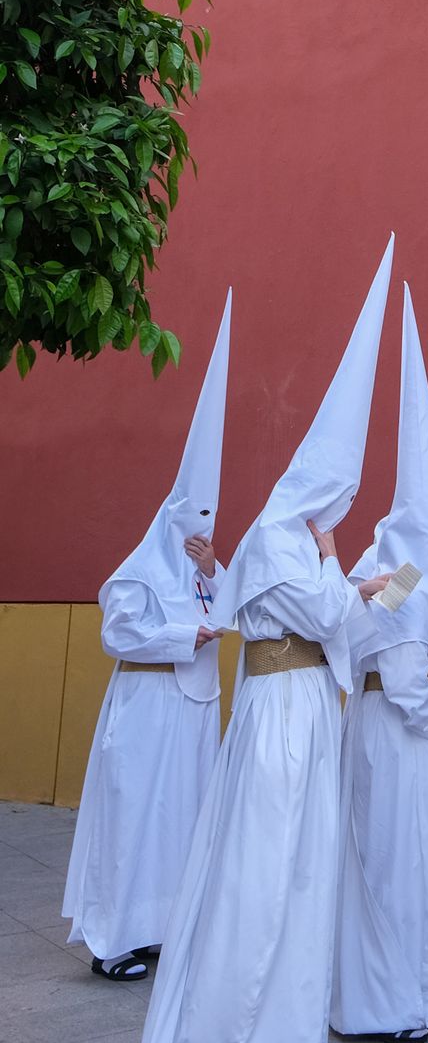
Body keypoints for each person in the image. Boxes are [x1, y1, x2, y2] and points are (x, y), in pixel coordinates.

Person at [140, 243, 397, 1043]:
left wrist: (357, 591)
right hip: (281, 715)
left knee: (303, 871)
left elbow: (341, 622)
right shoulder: (284, 534)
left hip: (302, 709)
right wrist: (340, 571)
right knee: (265, 867)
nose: (341, 508)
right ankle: (230, 1041)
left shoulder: (292, 538)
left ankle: (286, 1036)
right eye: (337, 493)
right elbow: (321, 616)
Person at [332, 289, 428, 1043]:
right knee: (409, 865)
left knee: (382, 861)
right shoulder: (403, 565)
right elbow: (401, 668)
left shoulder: (379, 555)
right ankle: (409, 997)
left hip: (372, 728)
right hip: (402, 739)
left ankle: (389, 989)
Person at [64, 295, 233, 983]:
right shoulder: (137, 571)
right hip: (145, 708)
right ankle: (112, 939)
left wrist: (215, 569)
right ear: (168, 518)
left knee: (179, 824)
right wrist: (180, 632)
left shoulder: (198, 569)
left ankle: (161, 927)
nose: (198, 529)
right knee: (134, 822)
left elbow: (229, 604)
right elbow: (117, 632)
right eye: (191, 520)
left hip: (191, 710)